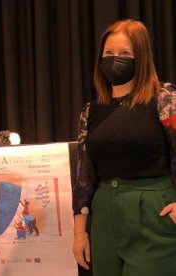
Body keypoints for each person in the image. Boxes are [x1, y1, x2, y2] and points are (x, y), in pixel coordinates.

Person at [72, 19, 176, 276]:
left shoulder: (163, 99)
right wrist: (79, 231)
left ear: (140, 58)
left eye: (125, 54)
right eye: (108, 53)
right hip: (105, 214)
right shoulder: (91, 111)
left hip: (152, 211)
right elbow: (84, 176)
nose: (114, 59)